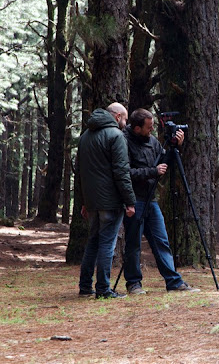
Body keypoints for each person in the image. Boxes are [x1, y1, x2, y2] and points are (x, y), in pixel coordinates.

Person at [122, 108, 199, 294]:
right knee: (133, 244)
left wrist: (175, 148)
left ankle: (173, 282)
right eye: (149, 127)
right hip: (134, 200)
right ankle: (133, 283)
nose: (152, 130)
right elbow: (125, 173)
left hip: (151, 200)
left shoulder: (153, 142)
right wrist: (152, 171)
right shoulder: (123, 142)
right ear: (137, 128)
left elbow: (164, 163)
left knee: (161, 240)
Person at [76, 102, 136, 299]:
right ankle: (103, 288)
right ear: (117, 116)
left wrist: (84, 201)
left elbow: (80, 173)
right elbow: (121, 171)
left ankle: (85, 286)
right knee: (107, 244)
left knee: (92, 242)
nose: (126, 124)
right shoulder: (116, 136)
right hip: (110, 201)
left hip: (92, 200)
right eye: (125, 119)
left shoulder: (85, 136)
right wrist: (129, 201)